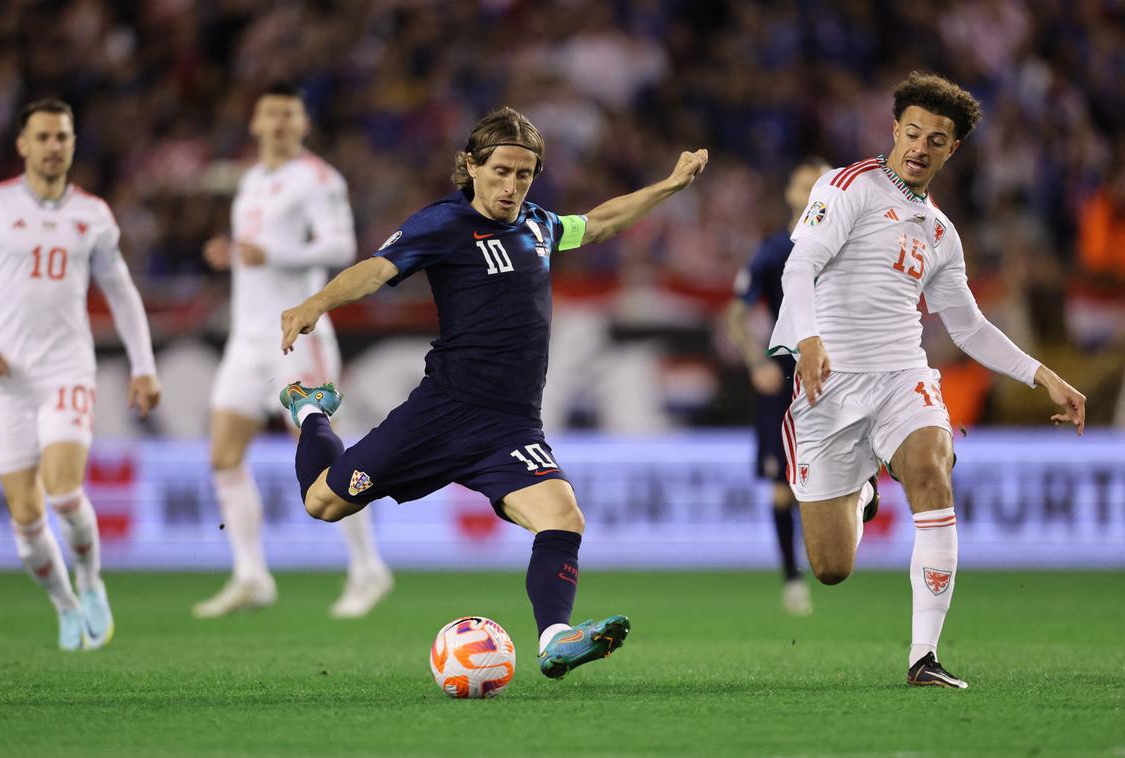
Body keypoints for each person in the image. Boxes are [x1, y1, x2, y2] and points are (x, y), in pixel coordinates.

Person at [279, 107, 707, 678]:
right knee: (322, 503)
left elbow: (599, 222)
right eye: (501, 171)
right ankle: (311, 411)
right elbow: (377, 270)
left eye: (524, 174)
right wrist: (317, 303)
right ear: (472, 167)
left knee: (564, 517)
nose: (512, 185)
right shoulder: (441, 224)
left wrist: (670, 185)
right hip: (442, 413)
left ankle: (554, 638)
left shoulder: (538, 226)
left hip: (511, 426)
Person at [769, 72, 1086, 688]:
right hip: (827, 386)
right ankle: (862, 489)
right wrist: (807, 338)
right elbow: (799, 264)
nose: (919, 146)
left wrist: (1042, 375)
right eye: (912, 132)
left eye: (935, 139)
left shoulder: (941, 232)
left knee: (931, 469)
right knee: (831, 567)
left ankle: (923, 657)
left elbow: (967, 326)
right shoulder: (848, 187)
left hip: (902, 376)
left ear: (952, 150)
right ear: (895, 130)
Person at [0, 99, 161, 651]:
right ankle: (63, 603)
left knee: (64, 492)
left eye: (62, 136)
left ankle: (89, 583)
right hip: (3, 381)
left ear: (72, 142)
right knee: (26, 514)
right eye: (42, 137)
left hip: (67, 370)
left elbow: (121, 293)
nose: (53, 146)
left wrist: (143, 366)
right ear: (23, 145)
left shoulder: (93, 214)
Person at [194, 83, 392, 619]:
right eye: (269, 113)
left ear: (304, 123)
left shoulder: (318, 179)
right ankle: (251, 575)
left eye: (289, 113)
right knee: (223, 453)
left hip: (297, 337)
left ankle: (368, 568)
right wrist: (236, 254)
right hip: (247, 339)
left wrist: (269, 252)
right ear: (255, 123)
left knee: (323, 458)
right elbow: (253, 255)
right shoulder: (252, 180)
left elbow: (340, 247)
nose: (279, 122)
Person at [724, 158, 830, 616]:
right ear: (790, 193)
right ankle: (792, 576)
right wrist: (755, 361)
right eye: (802, 184)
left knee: (840, 475)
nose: (808, 193)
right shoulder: (772, 250)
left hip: (838, 371)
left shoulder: (846, 246)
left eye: (818, 185)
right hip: (785, 372)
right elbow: (735, 313)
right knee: (782, 486)